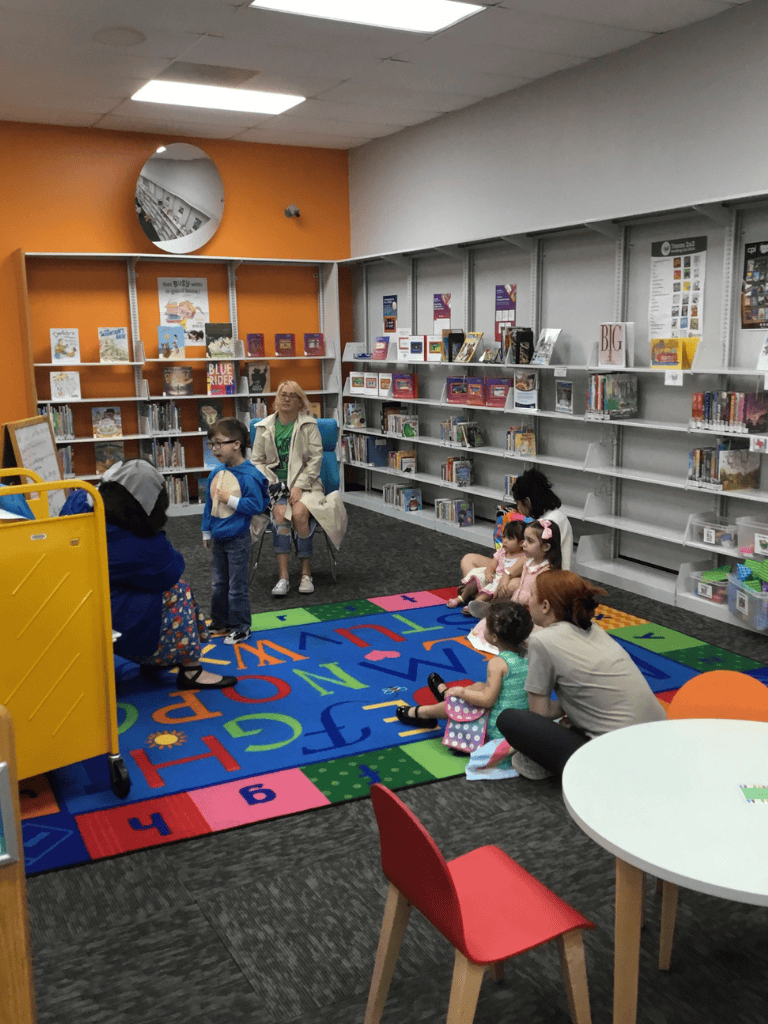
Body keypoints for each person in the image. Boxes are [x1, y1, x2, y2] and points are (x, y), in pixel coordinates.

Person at [496, 570, 667, 778]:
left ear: (546, 606)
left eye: (531, 595)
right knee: (566, 725)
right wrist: (579, 705)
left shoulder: (542, 641)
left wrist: (572, 706)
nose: (527, 601)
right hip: (660, 738)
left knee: (510, 719)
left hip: (618, 757)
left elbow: (540, 713)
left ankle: (570, 766)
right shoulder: (594, 628)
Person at [99, 460, 237, 689]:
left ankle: (154, 662)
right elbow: (171, 570)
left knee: (139, 584)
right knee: (178, 591)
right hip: (111, 621)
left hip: (80, 607)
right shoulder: (143, 543)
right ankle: (191, 670)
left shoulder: (87, 513)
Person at [251, 380, 347, 596]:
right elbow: (256, 461)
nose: (286, 399)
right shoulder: (264, 427)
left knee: (299, 512)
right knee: (280, 513)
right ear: (276, 398)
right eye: (282, 394)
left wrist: (299, 486)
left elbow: (316, 459)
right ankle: (283, 577)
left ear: (299, 400)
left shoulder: (308, 425)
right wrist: (273, 482)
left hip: (308, 485)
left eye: (292, 395)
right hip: (275, 486)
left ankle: (306, 573)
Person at [395, 602, 534, 737]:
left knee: (464, 700)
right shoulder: (528, 657)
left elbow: (487, 700)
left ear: (494, 637)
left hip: (499, 731)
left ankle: (424, 713)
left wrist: (461, 692)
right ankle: (445, 697)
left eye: (485, 626)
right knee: (480, 686)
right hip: (519, 723)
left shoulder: (498, 663)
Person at [202, 418, 269, 645]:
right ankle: (221, 622)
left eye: (219, 443)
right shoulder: (217, 473)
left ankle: (242, 627)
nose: (214, 449)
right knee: (218, 584)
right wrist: (206, 531)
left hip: (238, 538)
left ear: (237, 444)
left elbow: (257, 505)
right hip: (219, 536)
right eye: (212, 444)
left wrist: (230, 500)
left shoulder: (249, 475)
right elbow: (209, 504)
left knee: (236, 587)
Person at [457, 467, 572, 598]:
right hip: (524, 566)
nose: (518, 508)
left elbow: (529, 558)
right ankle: (485, 594)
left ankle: (482, 596)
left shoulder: (550, 522)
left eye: (518, 503)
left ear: (527, 502)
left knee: (513, 585)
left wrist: (507, 573)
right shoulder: (546, 516)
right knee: (468, 560)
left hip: (543, 575)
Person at [467, 519, 561, 650]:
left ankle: (493, 608)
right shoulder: (529, 562)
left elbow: (541, 603)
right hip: (519, 606)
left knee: (511, 633)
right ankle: (492, 608)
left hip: (533, 615)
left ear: (545, 547)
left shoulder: (546, 572)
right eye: (524, 540)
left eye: (530, 541)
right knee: (489, 626)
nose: (524, 545)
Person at [447, 518, 526, 612]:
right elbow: (492, 564)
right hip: (495, 576)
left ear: (521, 543)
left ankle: (476, 603)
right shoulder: (502, 551)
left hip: (502, 581)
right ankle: (462, 598)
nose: (504, 541)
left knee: (493, 589)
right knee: (476, 578)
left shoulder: (524, 556)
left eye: (510, 539)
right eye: (504, 537)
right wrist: (488, 572)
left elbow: (518, 572)